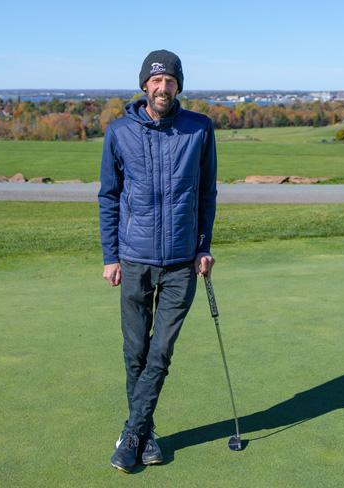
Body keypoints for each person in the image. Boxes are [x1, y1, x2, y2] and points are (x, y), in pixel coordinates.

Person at [98, 49, 218, 473]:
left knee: (160, 353)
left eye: (170, 80)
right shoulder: (119, 132)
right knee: (136, 353)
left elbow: (206, 193)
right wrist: (110, 255)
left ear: (178, 85)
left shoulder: (199, 130)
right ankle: (146, 434)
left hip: (182, 263)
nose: (162, 87)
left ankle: (131, 434)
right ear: (144, 86)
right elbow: (109, 196)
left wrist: (204, 246)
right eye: (155, 80)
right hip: (133, 260)